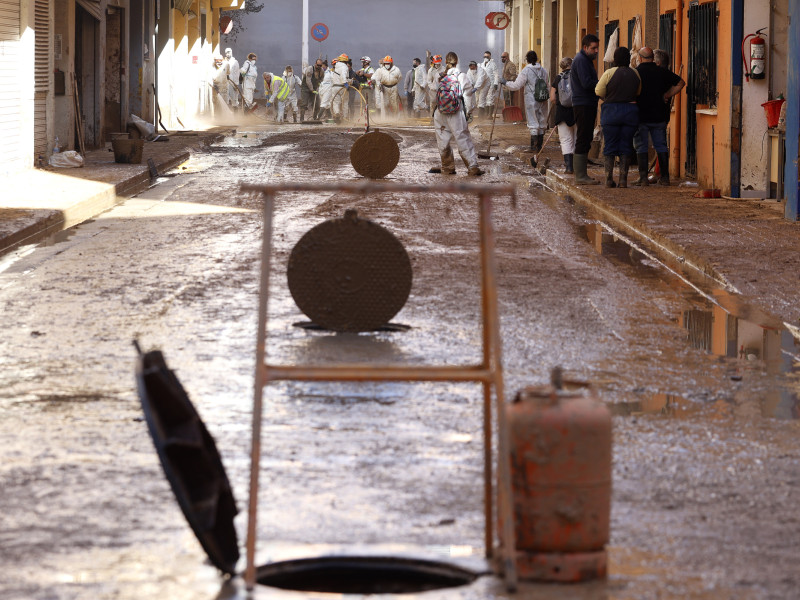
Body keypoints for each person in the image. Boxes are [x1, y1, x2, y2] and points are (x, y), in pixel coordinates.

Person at [632, 47, 686, 186]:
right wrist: (667, 95)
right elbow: (681, 83)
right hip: (660, 115)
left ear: (640, 58)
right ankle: (665, 178)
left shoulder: (636, 73)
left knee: (641, 147)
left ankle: (643, 178)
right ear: (652, 58)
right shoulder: (662, 72)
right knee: (661, 146)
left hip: (641, 116)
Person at [429, 51, 483, 177]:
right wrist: (469, 112)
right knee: (462, 138)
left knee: (443, 141)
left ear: (445, 62)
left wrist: (434, 110)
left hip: (440, 112)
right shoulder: (462, 76)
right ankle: (472, 167)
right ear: (457, 62)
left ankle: (448, 167)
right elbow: (467, 96)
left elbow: (432, 94)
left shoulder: (439, 76)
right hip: (456, 111)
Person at [595, 46, 641, 188]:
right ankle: (623, 180)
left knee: (609, 145)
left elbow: (598, 91)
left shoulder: (609, 73)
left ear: (614, 59)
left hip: (611, 112)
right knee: (626, 145)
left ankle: (608, 179)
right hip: (630, 112)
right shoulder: (635, 73)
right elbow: (638, 92)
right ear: (628, 58)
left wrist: (608, 97)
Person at [501, 50, 549, 152]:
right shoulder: (544, 70)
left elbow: (516, 85)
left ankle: (533, 147)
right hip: (543, 98)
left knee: (533, 121)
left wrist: (505, 83)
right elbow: (547, 85)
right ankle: (539, 147)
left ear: (527, 60)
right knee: (541, 121)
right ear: (537, 59)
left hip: (531, 99)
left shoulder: (526, 71)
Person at [570, 34, 601, 184]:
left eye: (597, 48)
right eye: (593, 48)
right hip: (583, 104)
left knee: (586, 137)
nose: (596, 51)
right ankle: (580, 176)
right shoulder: (582, 60)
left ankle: (582, 174)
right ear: (585, 47)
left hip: (587, 103)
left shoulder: (586, 60)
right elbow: (586, 83)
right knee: (583, 137)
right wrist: (601, 85)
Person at [551, 57, 576, 174]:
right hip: (577, 111)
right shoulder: (577, 76)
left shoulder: (558, 78)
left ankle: (569, 167)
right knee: (577, 140)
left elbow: (552, 98)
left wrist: (560, 103)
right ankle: (578, 167)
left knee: (566, 140)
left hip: (562, 113)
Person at [478, 50, 500, 118]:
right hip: (484, 85)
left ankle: (490, 115)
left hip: (491, 84)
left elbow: (496, 74)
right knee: (484, 99)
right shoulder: (481, 65)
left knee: (490, 99)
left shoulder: (493, 64)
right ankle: (485, 114)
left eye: (487, 56)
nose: (486, 57)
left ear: (490, 56)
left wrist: (496, 83)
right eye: (484, 56)